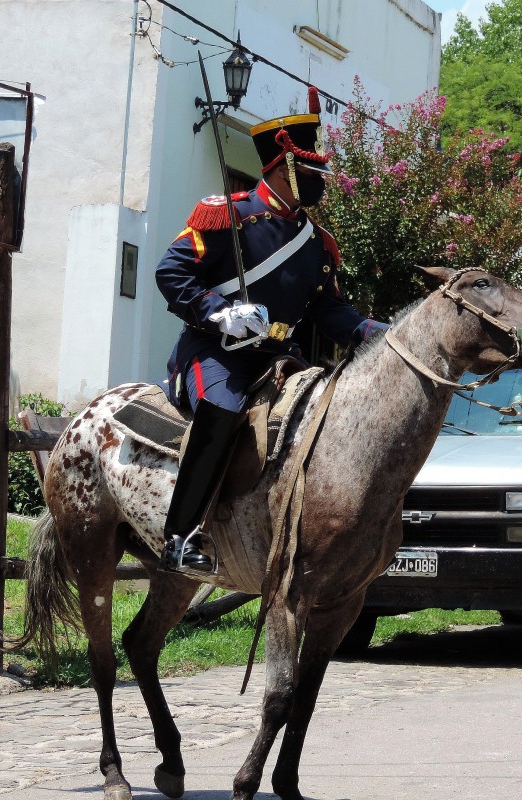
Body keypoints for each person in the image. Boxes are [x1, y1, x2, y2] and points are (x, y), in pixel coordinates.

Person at [155, 86, 387, 576]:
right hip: (216, 350)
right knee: (222, 409)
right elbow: (171, 272)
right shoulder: (226, 215)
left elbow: (332, 313)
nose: (321, 181)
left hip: (280, 356)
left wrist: (381, 333)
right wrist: (218, 310)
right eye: (312, 172)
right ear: (282, 166)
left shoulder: (318, 244)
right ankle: (180, 535)